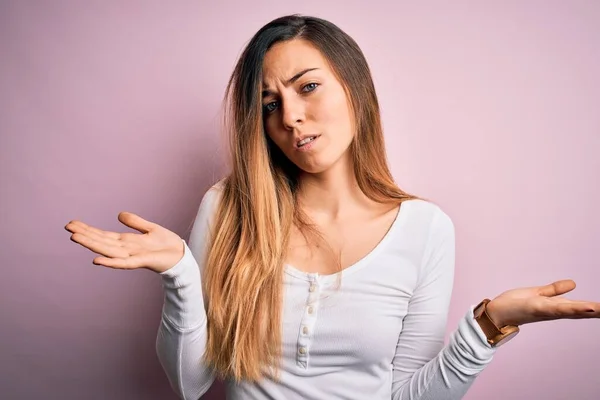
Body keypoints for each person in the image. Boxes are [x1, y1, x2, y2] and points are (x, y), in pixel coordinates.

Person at [64, 14, 599, 400]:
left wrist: (488, 325)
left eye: (309, 87)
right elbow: (190, 384)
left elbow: (408, 398)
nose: (291, 116)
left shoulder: (425, 229)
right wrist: (180, 273)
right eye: (270, 105)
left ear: (356, 90)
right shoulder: (228, 208)